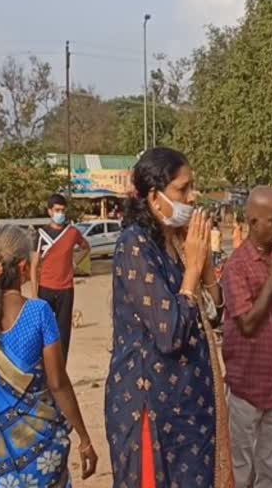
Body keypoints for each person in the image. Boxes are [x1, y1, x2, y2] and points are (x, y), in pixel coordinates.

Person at [104, 147, 233, 488]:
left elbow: (214, 317)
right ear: (154, 196)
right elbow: (171, 333)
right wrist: (191, 270)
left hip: (191, 407)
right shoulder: (134, 246)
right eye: (183, 189)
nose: (192, 197)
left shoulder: (176, 241)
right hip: (151, 408)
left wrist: (206, 272)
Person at [0, 225, 97, 488]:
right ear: (22, 267)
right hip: (41, 449)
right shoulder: (38, 312)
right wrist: (85, 438)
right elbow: (58, 383)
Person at [222, 186, 272, 488]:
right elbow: (247, 324)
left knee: (271, 468)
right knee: (241, 471)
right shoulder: (236, 267)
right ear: (254, 221)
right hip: (246, 387)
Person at [31, 193, 90, 361]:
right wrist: (34, 296)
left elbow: (85, 247)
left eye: (63, 210)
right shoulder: (41, 234)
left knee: (63, 333)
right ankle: (43, 367)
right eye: (57, 210)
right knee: (43, 331)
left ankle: (60, 369)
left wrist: (75, 263)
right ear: (50, 211)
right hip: (45, 288)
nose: (60, 214)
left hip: (66, 289)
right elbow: (34, 266)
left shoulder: (72, 233)